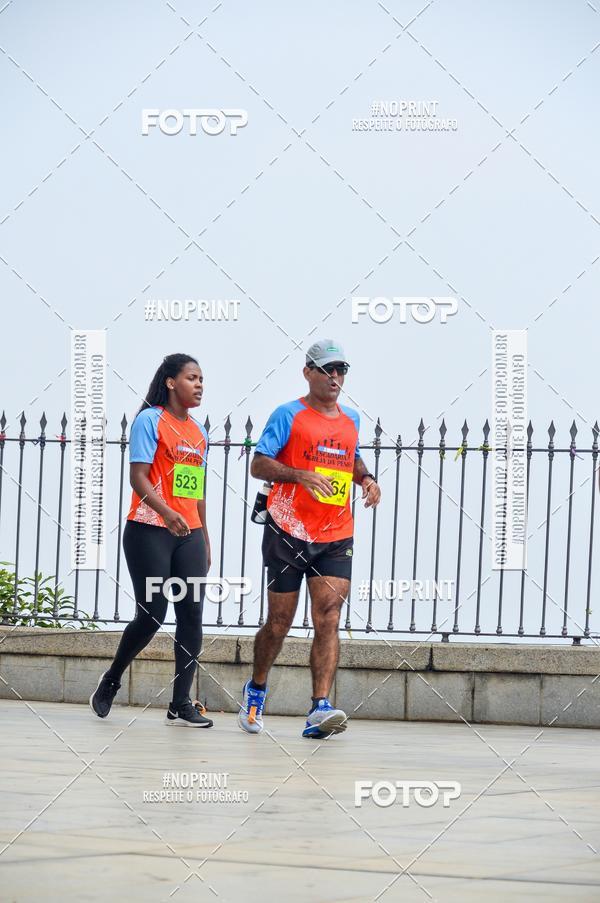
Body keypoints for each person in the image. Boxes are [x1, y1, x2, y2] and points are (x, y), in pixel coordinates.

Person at [238, 339, 381, 739]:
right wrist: (300, 475)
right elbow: (259, 463)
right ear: (308, 372)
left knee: (329, 617)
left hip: (336, 533)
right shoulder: (288, 415)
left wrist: (366, 479)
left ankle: (319, 709)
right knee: (280, 622)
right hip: (288, 530)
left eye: (342, 371)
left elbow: (350, 458)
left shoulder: (351, 418)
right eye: (328, 370)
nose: (336, 377)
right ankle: (257, 688)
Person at [90, 353, 213, 728]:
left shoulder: (200, 432)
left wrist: (205, 538)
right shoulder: (150, 421)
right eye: (192, 378)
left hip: (187, 532)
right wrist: (165, 512)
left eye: (202, 379)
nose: (199, 385)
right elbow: (138, 478)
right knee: (153, 613)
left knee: (191, 613)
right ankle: (111, 679)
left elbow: (198, 491)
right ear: (171, 382)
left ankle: (180, 703)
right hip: (148, 529)